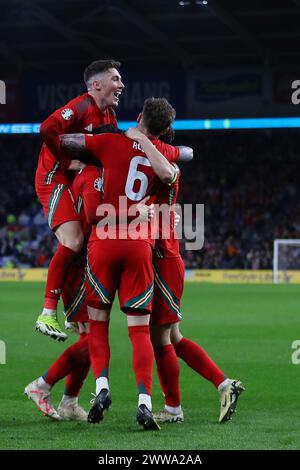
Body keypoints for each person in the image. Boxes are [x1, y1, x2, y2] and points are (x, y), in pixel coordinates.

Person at [60, 97, 193, 430]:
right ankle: (145, 401)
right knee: (140, 332)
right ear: (164, 130)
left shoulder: (108, 143)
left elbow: (65, 141)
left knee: (99, 325)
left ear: (138, 117)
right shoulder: (163, 153)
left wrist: (85, 141)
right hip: (139, 244)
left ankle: (101, 387)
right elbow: (185, 155)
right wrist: (153, 142)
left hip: (103, 241)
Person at [126, 128, 245, 424]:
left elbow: (166, 171)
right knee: (173, 337)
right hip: (166, 259)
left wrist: (141, 140)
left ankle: (175, 408)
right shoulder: (152, 173)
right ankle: (222, 385)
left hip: (165, 261)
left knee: (160, 338)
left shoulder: (165, 171)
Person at [35, 59, 124, 341]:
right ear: (96, 84)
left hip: (79, 180)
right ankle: (47, 312)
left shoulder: (109, 116)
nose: (121, 85)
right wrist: (66, 160)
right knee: (73, 241)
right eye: (115, 79)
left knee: (84, 246)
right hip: (55, 177)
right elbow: (47, 127)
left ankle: (74, 314)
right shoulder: (82, 106)